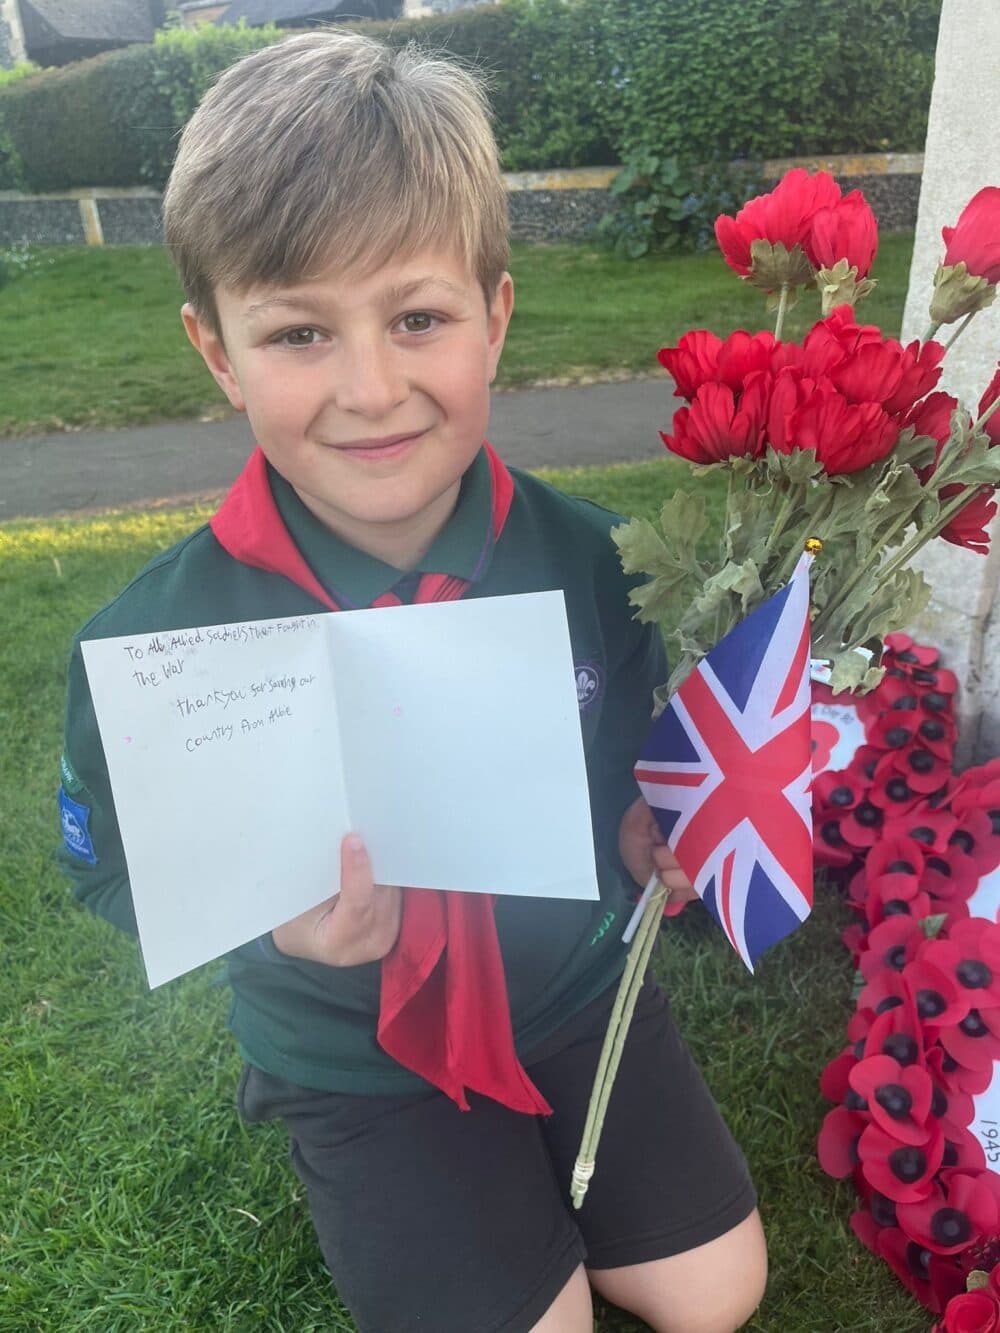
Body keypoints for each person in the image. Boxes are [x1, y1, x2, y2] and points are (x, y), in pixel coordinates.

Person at [58, 29, 767, 1333]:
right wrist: (277, 922)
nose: (372, 389)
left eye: (419, 317)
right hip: (352, 1052)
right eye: (299, 333)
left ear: (495, 318)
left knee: (715, 1293)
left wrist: (639, 825)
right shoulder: (160, 639)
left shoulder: (598, 556)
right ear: (216, 349)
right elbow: (109, 865)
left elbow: (623, 731)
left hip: (570, 989)